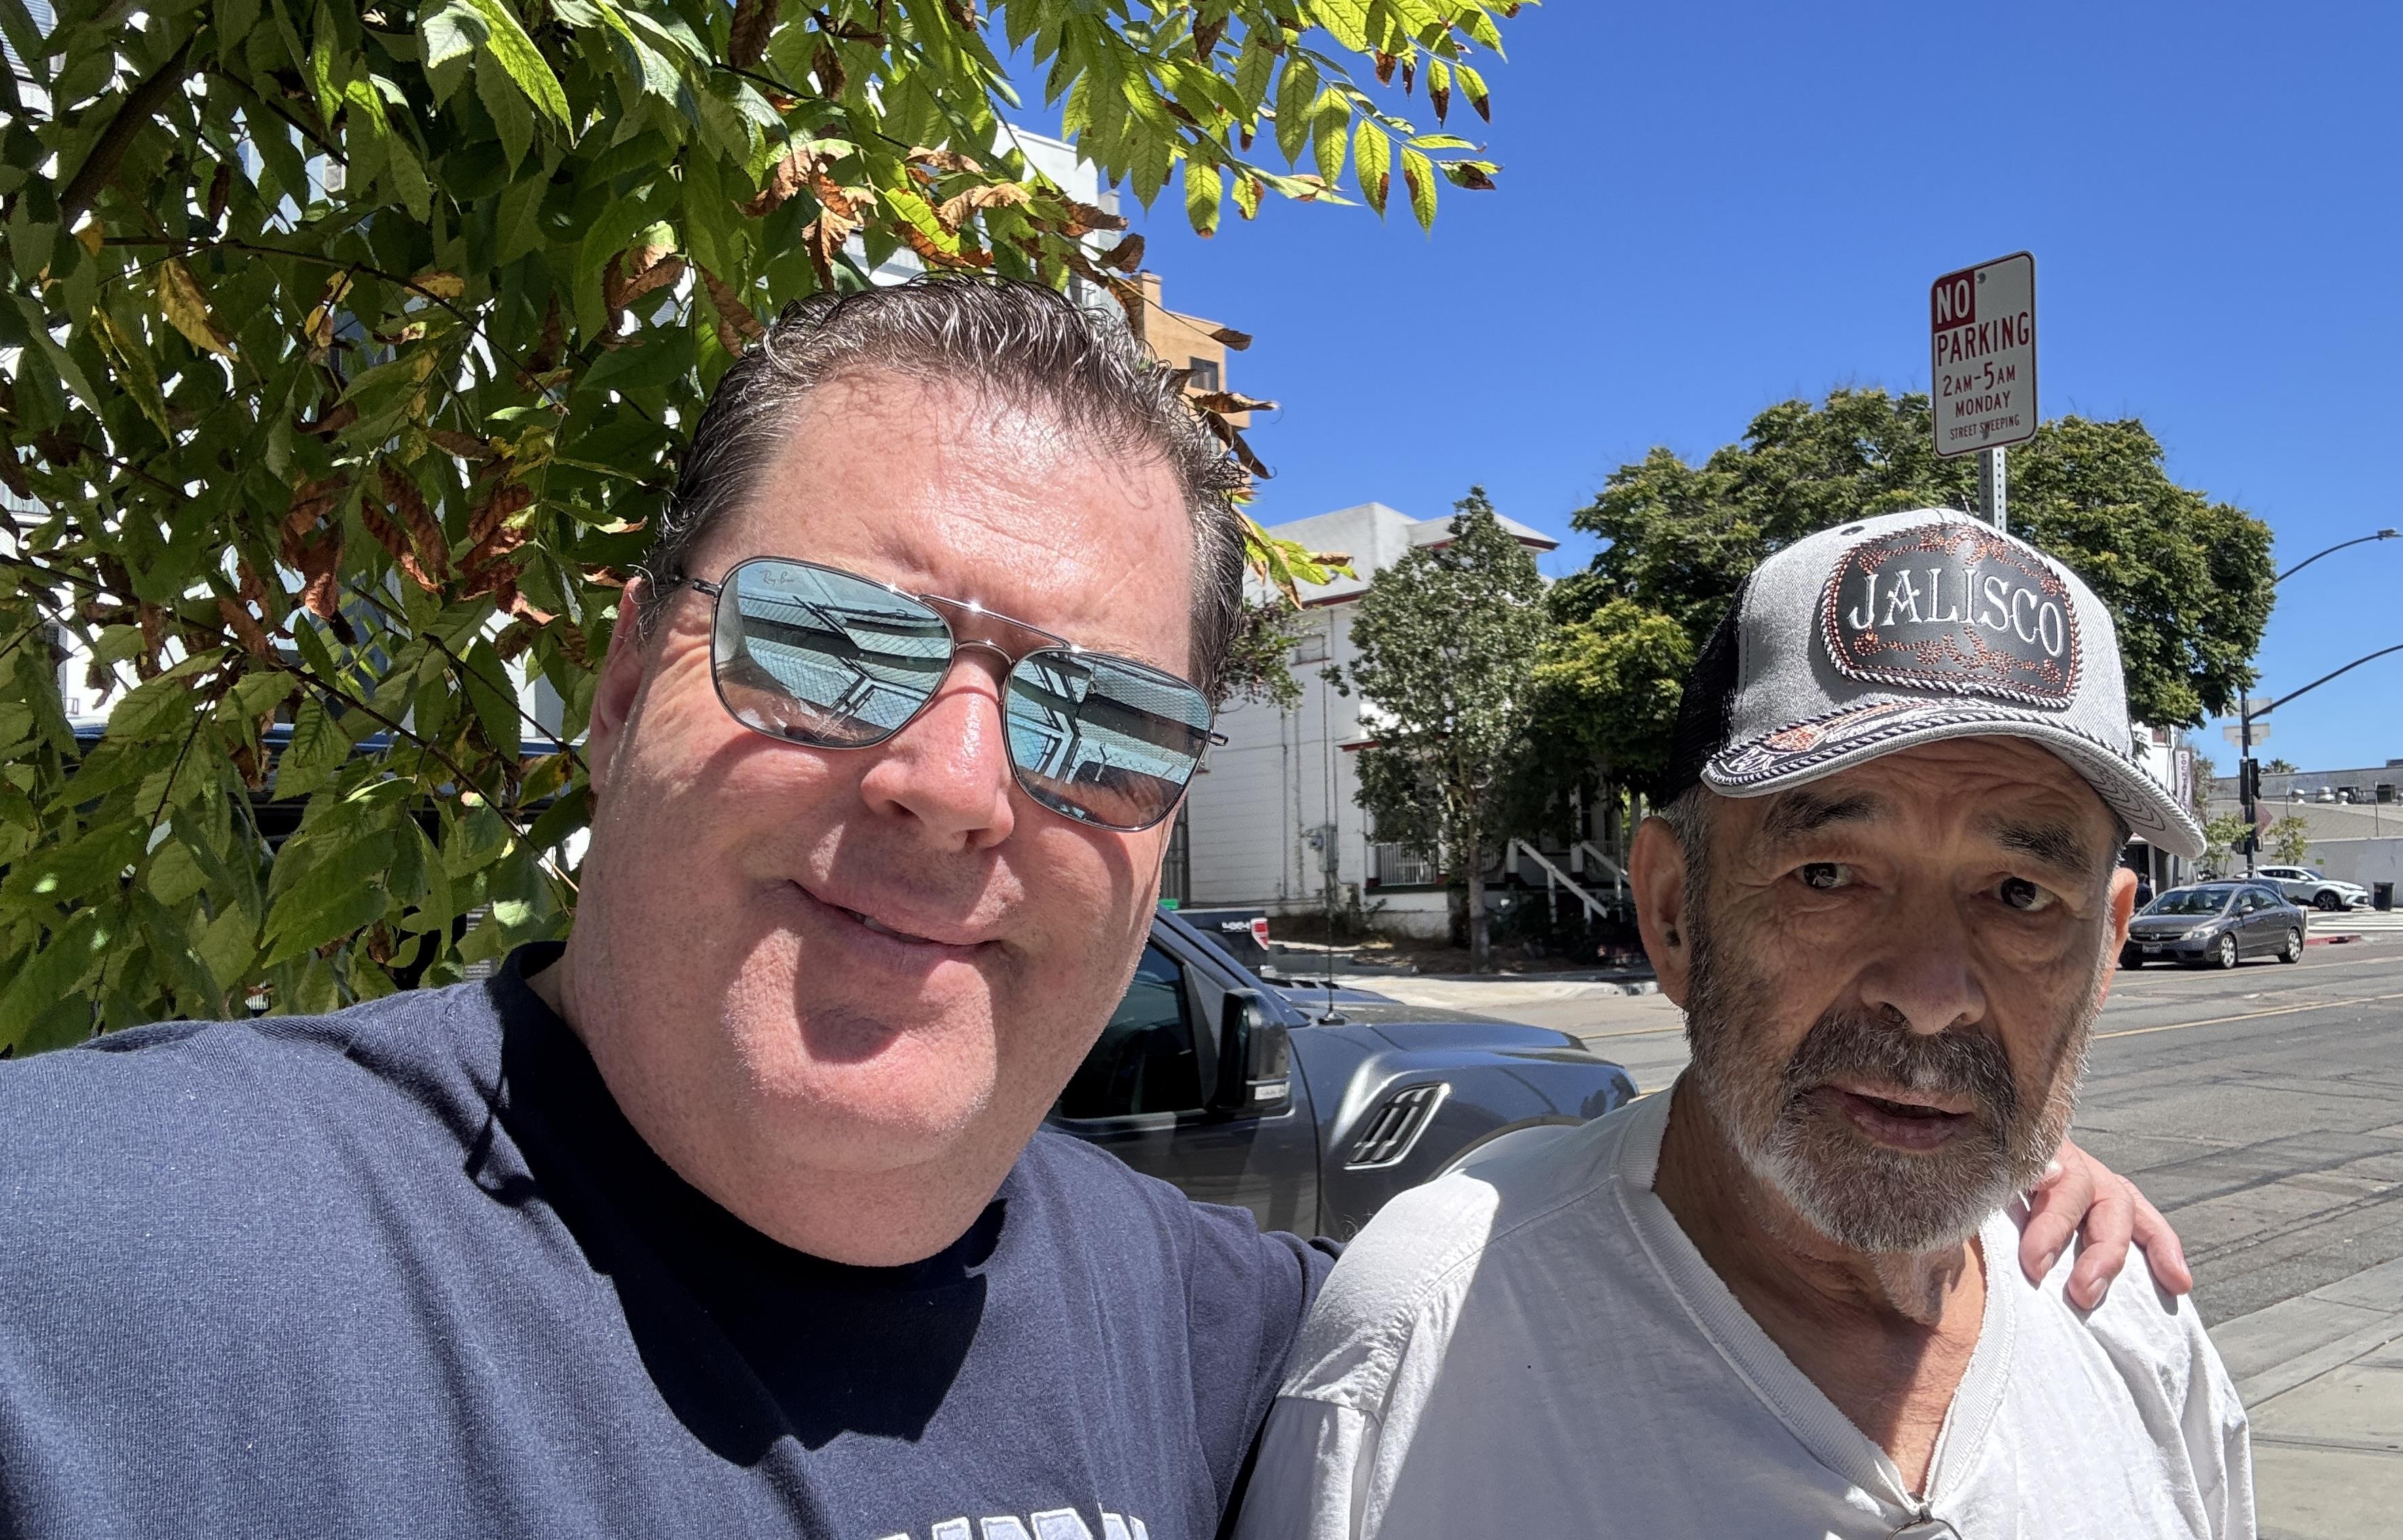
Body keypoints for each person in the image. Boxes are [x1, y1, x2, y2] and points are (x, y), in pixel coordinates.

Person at [0, 285, 2180, 1539]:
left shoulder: (1232, 1343)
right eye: (835, 645)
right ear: (617, 680)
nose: (956, 784)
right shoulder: (121, 1275)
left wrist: (1951, 1136)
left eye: (1093, 715)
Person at [1240, 511, 2254, 1538]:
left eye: (2022, 895)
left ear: (2108, 943)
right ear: (1675, 911)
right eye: (1829, 876)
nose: (1932, 992)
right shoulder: (1428, 1350)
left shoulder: (2131, 1326)